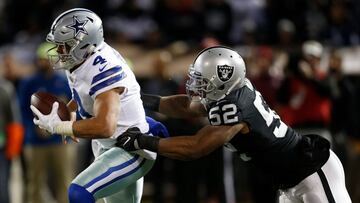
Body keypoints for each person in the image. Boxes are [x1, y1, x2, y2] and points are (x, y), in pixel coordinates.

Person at [116, 46, 352, 203]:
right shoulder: (230, 92)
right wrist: (138, 99)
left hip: (312, 171)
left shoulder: (234, 107)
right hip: (290, 181)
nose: (196, 86)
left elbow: (195, 148)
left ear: (222, 80)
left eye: (203, 80)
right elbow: (187, 106)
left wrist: (142, 141)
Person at [30, 8, 167, 203]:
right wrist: (70, 110)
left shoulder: (104, 69)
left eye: (65, 46)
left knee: (79, 192)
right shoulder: (84, 57)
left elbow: (105, 126)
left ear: (84, 44)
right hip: (111, 143)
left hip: (132, 146)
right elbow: (86, 93)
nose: (59, 51)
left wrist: (60, 126)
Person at [18, 42, 74, 203]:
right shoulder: (29, 82)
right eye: (41, 59)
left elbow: (71, 108)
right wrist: (33, 127)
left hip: (60, 139)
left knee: (64, 179)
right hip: (36, 140)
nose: (44, 62)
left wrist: (67, 128)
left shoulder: (64, 82)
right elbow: (22, 109)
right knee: (34, 181)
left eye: (47, 59)